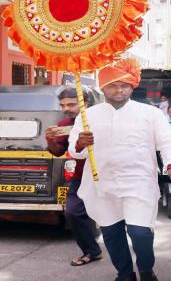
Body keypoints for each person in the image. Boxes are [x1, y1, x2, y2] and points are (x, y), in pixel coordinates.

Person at [68, 58, 171, 281]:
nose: (120, 90)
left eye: (125, 85)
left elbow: (168, 143)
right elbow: (76, 152)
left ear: (132, 87)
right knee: (112, 234)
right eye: (113, 85)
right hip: (101, 183)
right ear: (103, 88)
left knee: (140, 232)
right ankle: (125, 274)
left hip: (139, 182)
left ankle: (146, 269)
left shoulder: (150, 114)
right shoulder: (88, 115)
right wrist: (81, 143)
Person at [45, 87, 102, 267]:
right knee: (72, 211)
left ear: (86, 103)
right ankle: (92, 251)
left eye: (71, 104)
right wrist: (50, 140)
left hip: (106, 174)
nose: (66, 108)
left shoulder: (100, 120)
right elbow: (58, 152)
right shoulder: (64, 124)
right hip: (79, 177)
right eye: (62, 105)